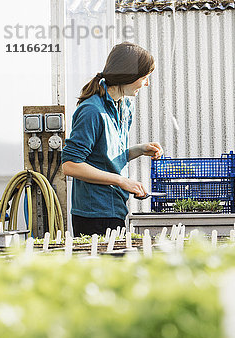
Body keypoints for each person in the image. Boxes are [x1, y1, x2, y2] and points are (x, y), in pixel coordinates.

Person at [61, 42, 163, 236]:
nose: (147, 83)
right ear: (129, 76)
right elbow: (71, 165)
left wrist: (139, 150)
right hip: (93, 214)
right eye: (145, 77)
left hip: (115, 208)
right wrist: (122, 181)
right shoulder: (92, 111)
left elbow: (104, 157)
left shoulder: (123, 107)